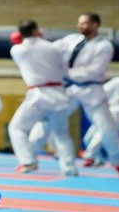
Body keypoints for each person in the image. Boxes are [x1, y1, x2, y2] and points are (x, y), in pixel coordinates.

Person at [57, 13, 119, 178]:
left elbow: (94, 71)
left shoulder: (104, 46)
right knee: (52, 122)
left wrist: (66, 73)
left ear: (95, 25)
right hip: (69, 90)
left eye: (85, 23)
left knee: (107, 128)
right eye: (80, 23)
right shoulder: (70, 40)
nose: (81, 26)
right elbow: (50, 50)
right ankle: (38, 161)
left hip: (92, 91)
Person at [6, 20, 78, 176]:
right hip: (59, 94)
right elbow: (64, 70)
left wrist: (26, 37)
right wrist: (41, 38)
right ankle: (70, 168)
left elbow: (19, 43)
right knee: (61, 134)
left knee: (17, 128)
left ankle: (28, 161)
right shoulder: (53, 48)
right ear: (36, 30)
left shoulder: (17, 50)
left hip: (38, 95)